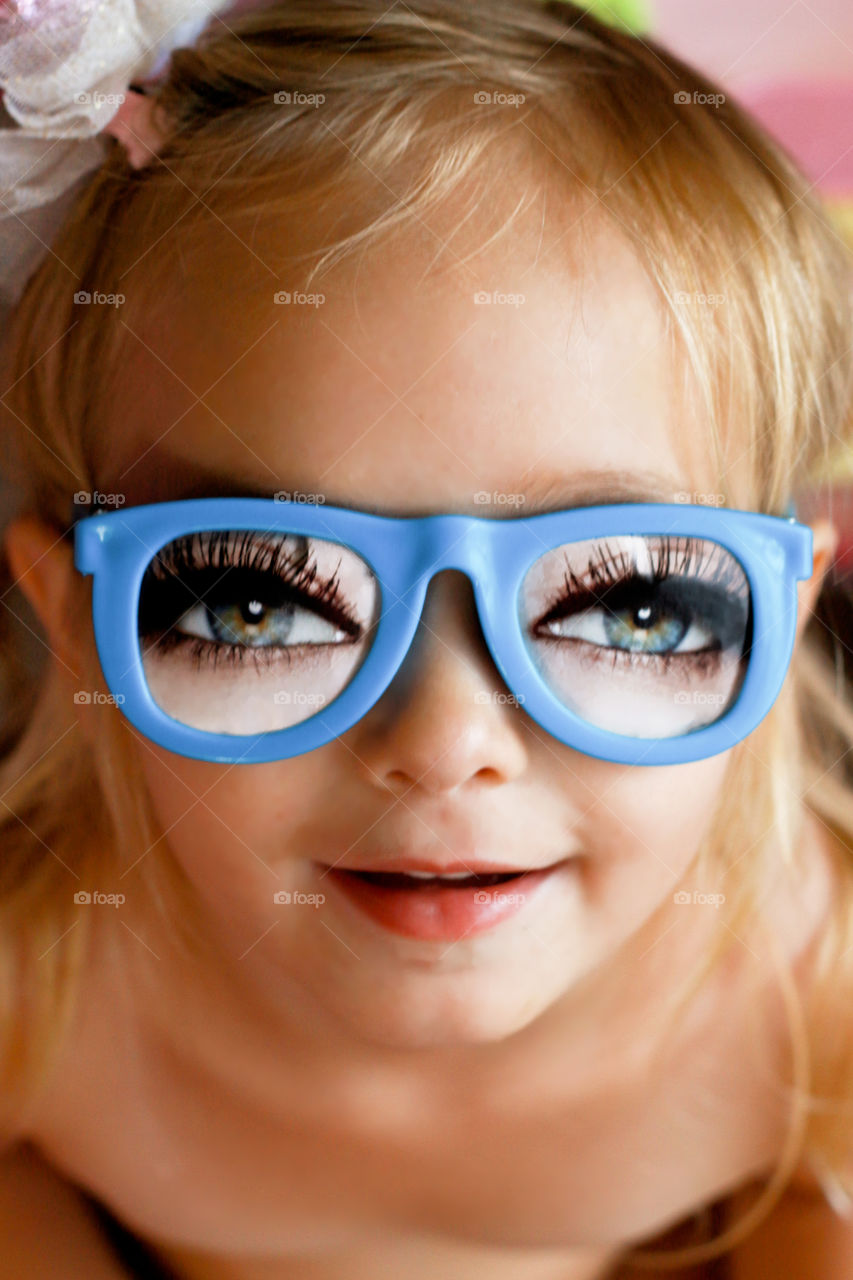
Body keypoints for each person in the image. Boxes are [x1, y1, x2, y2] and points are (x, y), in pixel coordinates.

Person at [0, 2, 852, 1276]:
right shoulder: (53, 984)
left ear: (776, 629)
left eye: (628, 605)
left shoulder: (798, 990)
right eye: (258, 602)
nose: (446, 745)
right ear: (73, 628)